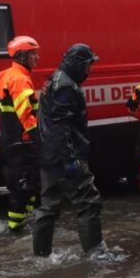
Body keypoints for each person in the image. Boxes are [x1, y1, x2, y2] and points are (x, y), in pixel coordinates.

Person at [33, 44, 104, 257]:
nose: (89, 71)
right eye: (88, 65)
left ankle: (41, 257)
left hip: (48, 155)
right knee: (88, 203)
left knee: (48, 205)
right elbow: (62, 126)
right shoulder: (65, 85)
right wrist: (71, 160)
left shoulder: (54, 79)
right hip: (63, 156)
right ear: (78, 64)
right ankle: (96, 256)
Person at [0, 35, 41, 232]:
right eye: (33, 54)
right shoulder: (20, 80)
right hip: (22, 141)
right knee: (24, 186)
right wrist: (38, 138)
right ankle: (16, 229)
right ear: (22, 56)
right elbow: (26, 114)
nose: (37, 58)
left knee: (27, 184)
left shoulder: (5, 74)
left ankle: (27, 222)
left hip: (10, 139)